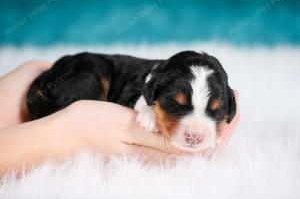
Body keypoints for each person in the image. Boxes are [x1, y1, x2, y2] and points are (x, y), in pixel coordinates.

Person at [0, 61, 240, 177]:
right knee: (89, 81)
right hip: (83, 70)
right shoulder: (157, 84)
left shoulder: (170, 78)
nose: (194, 130)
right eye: (175, 107)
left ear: (228, 109)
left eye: (214, 112)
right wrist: (67, 131)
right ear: (152, 94)